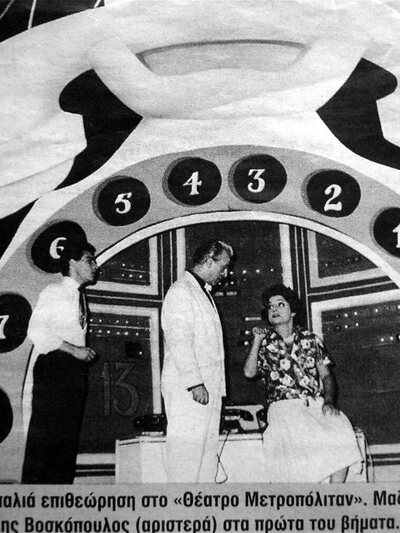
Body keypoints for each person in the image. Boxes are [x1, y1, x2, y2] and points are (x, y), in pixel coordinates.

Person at [244, 283, 362, 483]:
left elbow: (326, 376)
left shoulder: (311, 339)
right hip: (284, 409)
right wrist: (256, 340)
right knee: (296, 462)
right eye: (270, 307)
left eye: (280, 304)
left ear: (293, 311)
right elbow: (249, 373)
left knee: (342, 433)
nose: (274, 309)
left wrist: (329, 402)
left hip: (314, 404)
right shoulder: (264, 343)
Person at [21, 240, 98, 484]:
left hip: (73, 372)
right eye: (89, 260)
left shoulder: (79, 296)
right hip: (56, 369)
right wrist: (74, 350)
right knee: (47, 442)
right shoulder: (55, 291)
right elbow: (36, 331)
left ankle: (60, 496)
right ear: (72, 263)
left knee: (66, 443)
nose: (95, 266)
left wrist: (78, 356)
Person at [161, 239, 233, 482]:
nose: (226, 273)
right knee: (186, 457)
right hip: (190, 390)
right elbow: (179, 340)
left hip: (207, 389)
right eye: (224, 266)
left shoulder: (202, 293)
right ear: (209, 261)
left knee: (206, 458)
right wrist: (195, 383)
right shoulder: (181, 291)